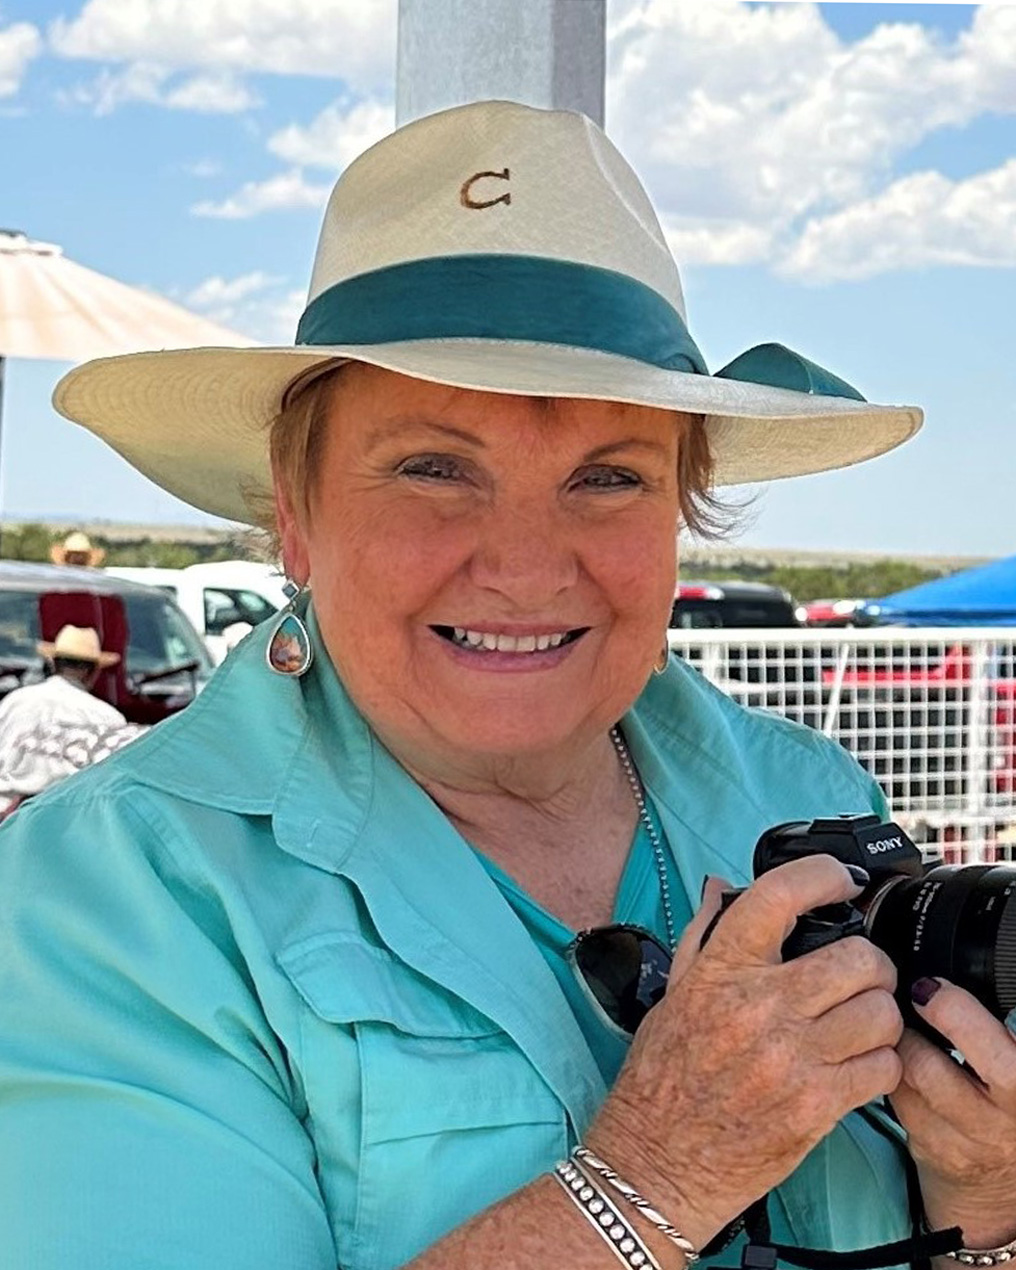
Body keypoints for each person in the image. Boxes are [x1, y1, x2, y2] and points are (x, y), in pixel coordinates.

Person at [0, 100, 1013, 1270]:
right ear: (294, 511)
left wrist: (980, 1205)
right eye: (433, 468)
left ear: (680, 512)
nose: (526, 564)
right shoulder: (113, 893)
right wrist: (650, 1180)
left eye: (608, 476)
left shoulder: (796, 790)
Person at [0, 623, 141, 816]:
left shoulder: (14, 702)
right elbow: (111, 784)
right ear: (91, 671)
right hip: (68, 819)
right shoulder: (106, 717)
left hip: (7, 818)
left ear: (53, 663)